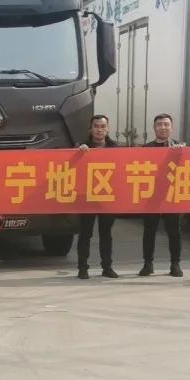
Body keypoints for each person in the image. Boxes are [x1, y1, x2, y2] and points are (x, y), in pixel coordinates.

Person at [140, 113, 184, 278]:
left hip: (172, 196)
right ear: (154, 128)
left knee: (174, 232)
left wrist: (180, 153)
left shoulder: (180, 147)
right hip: (151, 196)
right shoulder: (146, 149)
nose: (163, 127)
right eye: (159, 124)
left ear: (171, 127)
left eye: (166, 124)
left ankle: (175, 264)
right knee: (149, 232)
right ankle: (148, 264)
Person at [76, 114, 119, 280]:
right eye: (96, 126)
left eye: (103, 126)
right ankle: (82, 268)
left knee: (106, 234)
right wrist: (78, 153)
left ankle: (107, 267)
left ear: (107, 129)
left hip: (107, 196)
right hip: (86, 196)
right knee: (85, 234)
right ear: (90, 129)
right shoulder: (81, 146)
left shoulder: (115, 148)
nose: (99, 130)